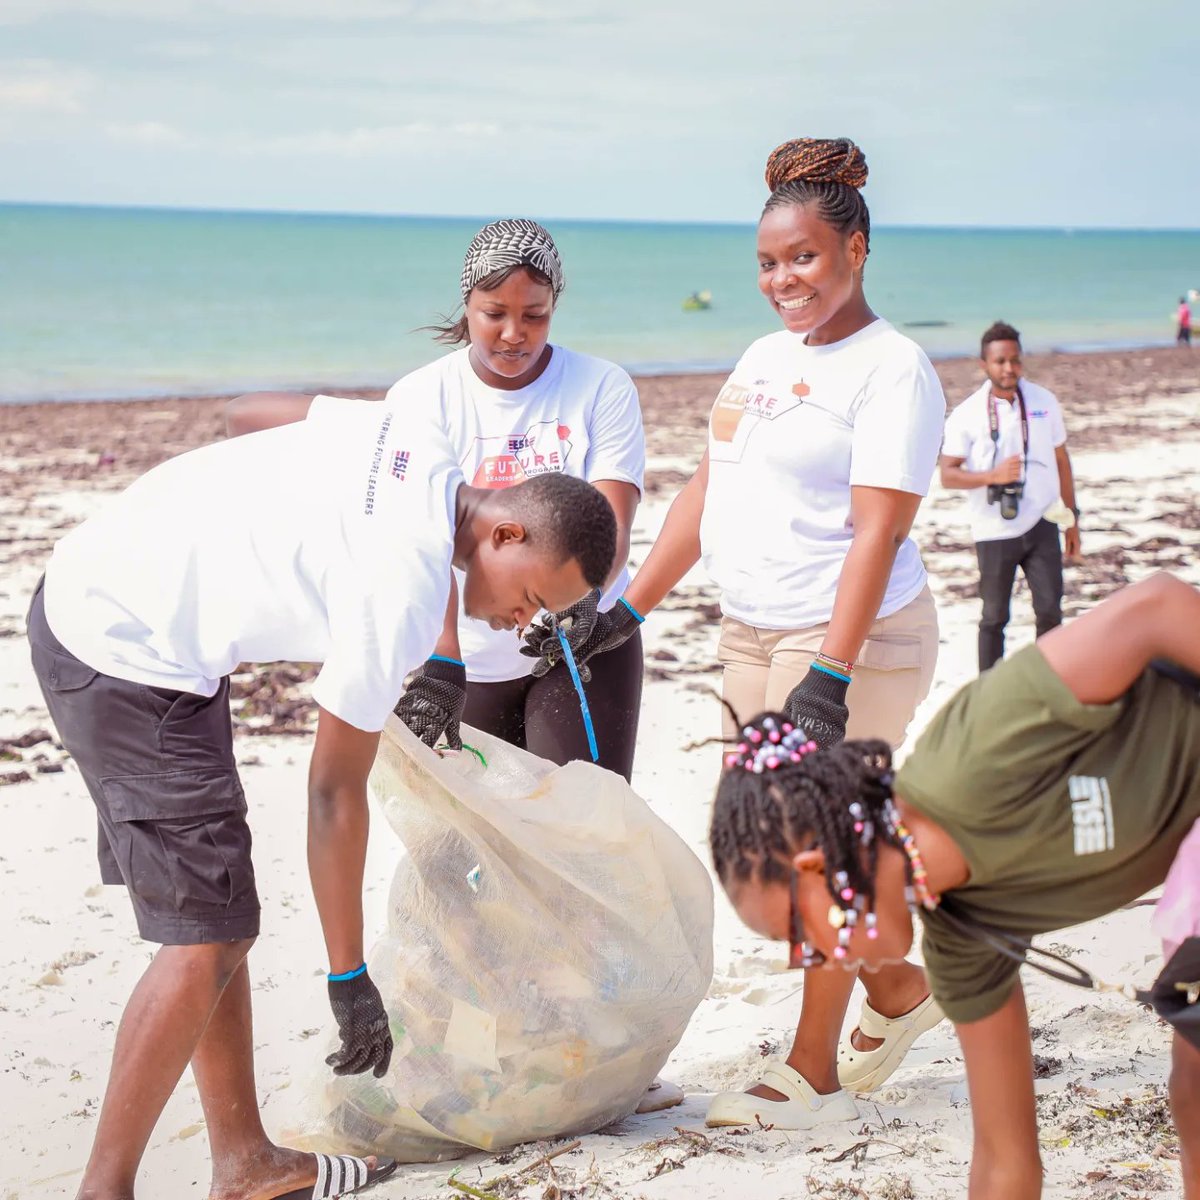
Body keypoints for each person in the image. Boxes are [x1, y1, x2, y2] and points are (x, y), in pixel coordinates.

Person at [28, 402, 615, 1200]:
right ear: (508, 534)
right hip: (124, 647)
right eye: (539, 600)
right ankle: (104, 1191)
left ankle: (241, 1161)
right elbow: (334, 794)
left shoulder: (413, 433)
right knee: (206, 937)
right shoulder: (401, 597)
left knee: (216, 915)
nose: (526, 625)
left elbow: (250, 414)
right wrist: (348, 976)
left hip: (123, 594)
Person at [525, 137, 947, 1129]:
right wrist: (621, 610)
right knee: (764, 851)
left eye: (803, 257)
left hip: (854, 634)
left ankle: (813, 1067)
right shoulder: (762, 359)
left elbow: (881, 530)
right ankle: (895, 992)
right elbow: (707, 494)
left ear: (856, 248)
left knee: (813, 843)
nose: (782, 280)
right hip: (751, 633)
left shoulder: (895, 370)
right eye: (767, 262)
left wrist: (831, 674)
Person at [708, 572, 1200, 1199]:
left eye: (803, 935)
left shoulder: (979, 749)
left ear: (815, 867)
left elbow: (1157, 606)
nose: (819, 959)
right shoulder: (961, 944)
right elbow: (1004, 1160)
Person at [227, 218, 646, 780]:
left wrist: (583, 601)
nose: (514, 333)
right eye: (493, 313)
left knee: (578, 832)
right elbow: (419, 539)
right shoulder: (421, 395)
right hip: (468, 654)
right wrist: (444, 655)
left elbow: (612, 520)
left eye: (535, 315)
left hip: (580, 647)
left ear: (555, 306)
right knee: (476, 848)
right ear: (467, 304)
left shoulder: (602, 386)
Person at [940, 321, 1081, 674]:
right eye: (1000, 361)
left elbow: (1062, 460)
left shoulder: (1044, 401)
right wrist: (992, 476)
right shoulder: (967, 414)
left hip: (1044, 520)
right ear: (984, 365)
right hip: (994, 529)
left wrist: (1072, 519)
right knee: (994, 617)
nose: (1009, 368)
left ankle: (1050, 685)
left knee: (1050, 611)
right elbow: (948, 475)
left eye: (1015, 360)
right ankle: (988, 694)